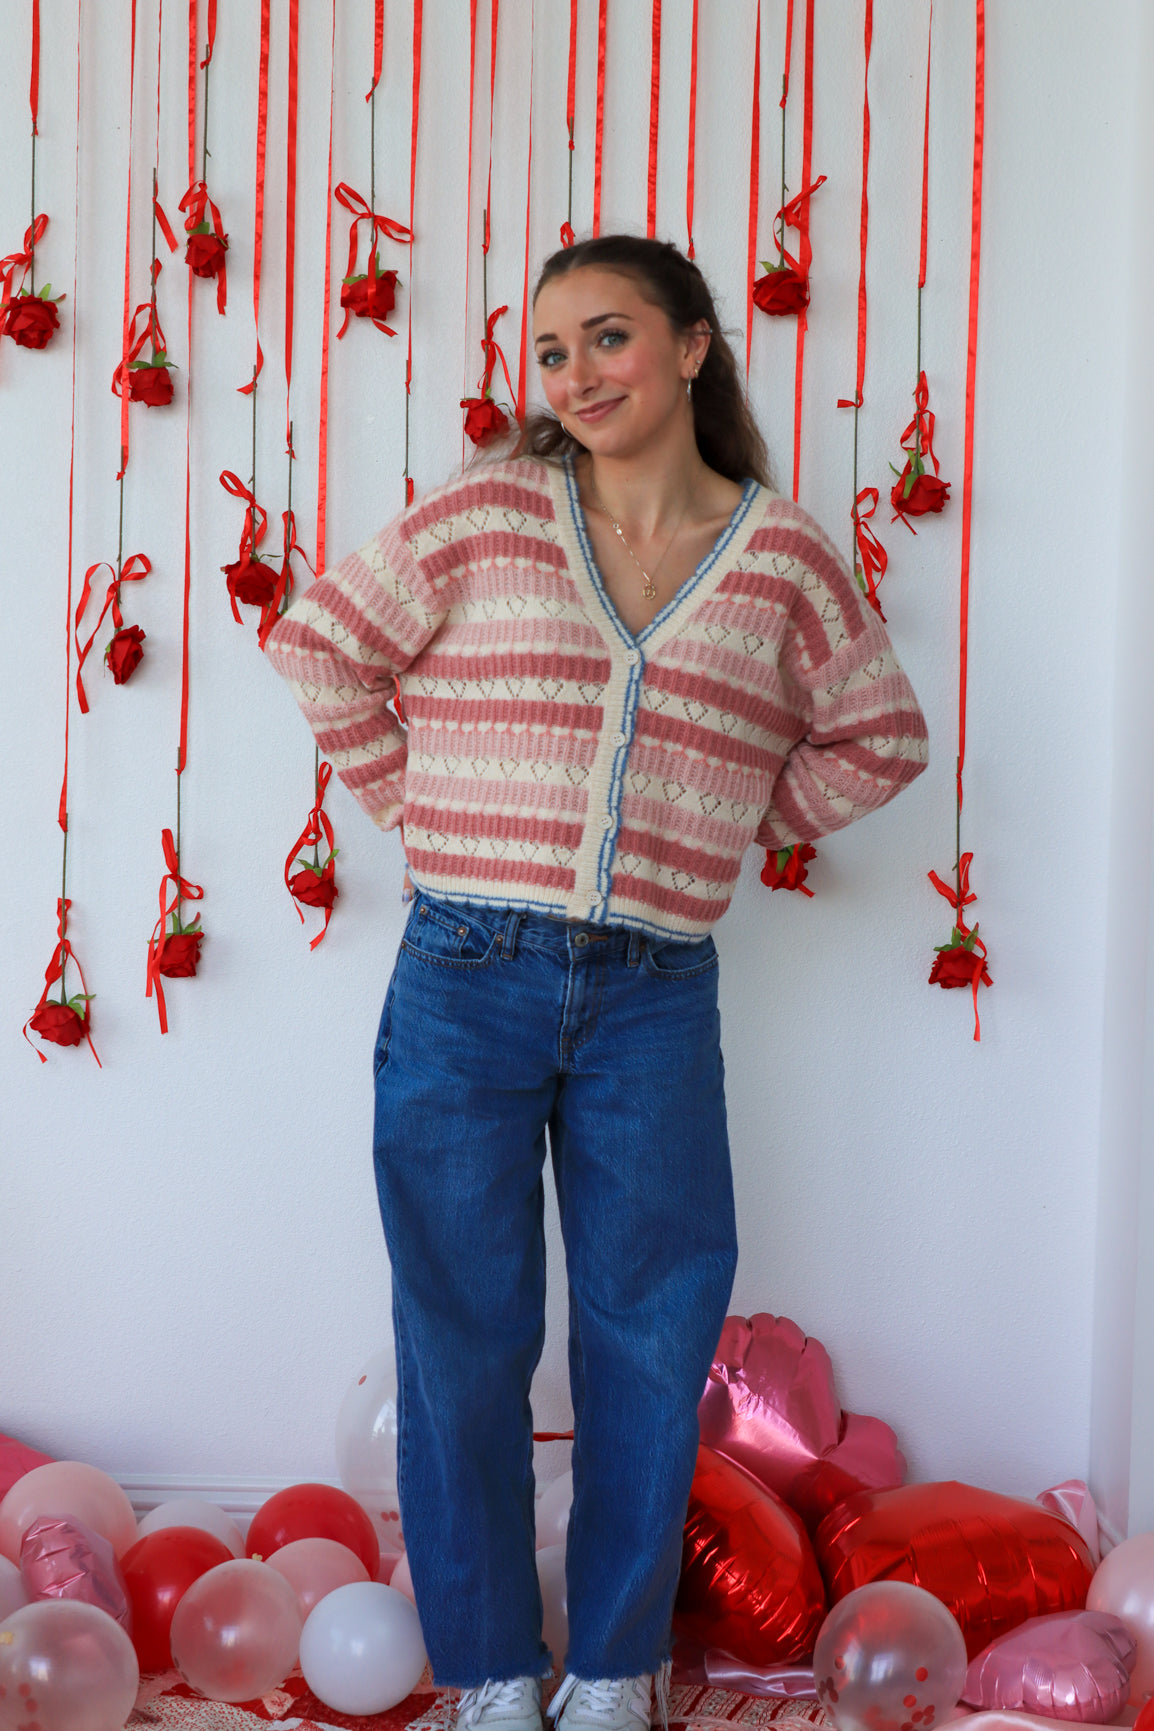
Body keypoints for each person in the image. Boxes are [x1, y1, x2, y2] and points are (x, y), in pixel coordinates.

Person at [264, 235, 927, 1731]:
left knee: (646, 1337)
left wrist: (733, 821)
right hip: (464, 969)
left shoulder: (780, 557)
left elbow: (879, 739)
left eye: (607, 338)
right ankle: (494, 1668)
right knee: (463, 1336)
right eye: (551, 354)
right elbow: (321, 649)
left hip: (653, 990)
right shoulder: (494, 513)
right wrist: (418, 809)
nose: (573, 377)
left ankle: (617, 1667)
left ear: (693, 347)